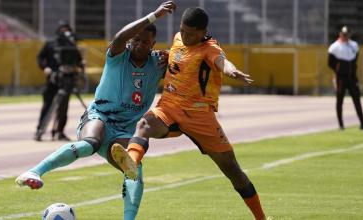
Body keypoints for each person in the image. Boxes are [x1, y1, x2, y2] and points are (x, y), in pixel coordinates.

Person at [15, 2, 176, 220]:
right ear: (131, 41)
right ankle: (34, 172)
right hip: (99, 115)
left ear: (153, 44)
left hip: (125, 131)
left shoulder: (159, 62)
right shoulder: (118, 54)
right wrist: (154, 16)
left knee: (134, 169)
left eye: (145, 42)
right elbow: (119, 37)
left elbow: (183, 60)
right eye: (136, 40)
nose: (139, 44)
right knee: (90, 144)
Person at [111, 7, 270, 220]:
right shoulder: (178, 39)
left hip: (200, 116)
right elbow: (179, 57)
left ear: (203, 32)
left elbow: (221, 61)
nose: (185, 36)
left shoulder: (210, 48)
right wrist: (167, 57)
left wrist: (231, 70)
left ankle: (261, 218)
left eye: (191, 34)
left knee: (233, 171)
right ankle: (130, 164)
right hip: (169, 107)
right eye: (182, 31)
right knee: (144, 125)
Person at [34, 21, 85, 141]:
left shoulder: (72, 45)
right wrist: (45, 68)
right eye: (62, 30)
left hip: (67, 80)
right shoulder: (50, 44)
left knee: (63, 107)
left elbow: (78, 60)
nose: (65, 33)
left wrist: (80, 66)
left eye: (67, 30)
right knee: (47, 105)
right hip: (52, 80)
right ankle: (39, 130)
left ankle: (59, 131)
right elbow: (40, 58)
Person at [328, 26, 363, 130]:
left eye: (347, 34)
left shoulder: (354, 45)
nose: (345, 36)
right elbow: (330, 63)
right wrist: (338, 72)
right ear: (340, 34)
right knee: (339, 100)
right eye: (344, 34)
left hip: (352, 77)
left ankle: (362, 123)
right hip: (341, 78)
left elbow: (354, 60)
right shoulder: (334, 47)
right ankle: (341, 124)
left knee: (357, 99)